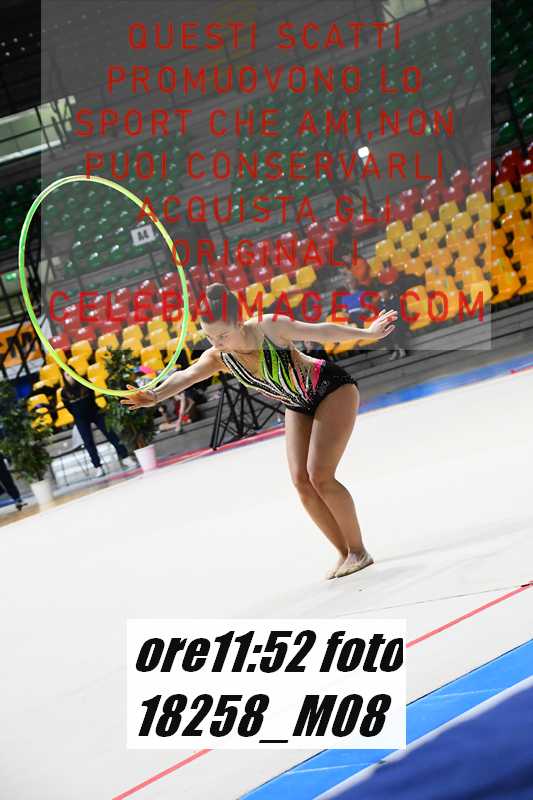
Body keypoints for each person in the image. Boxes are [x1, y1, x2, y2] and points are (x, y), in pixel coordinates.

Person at [121, 283, 397, 580]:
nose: (217, 343)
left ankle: (358, 551)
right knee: (301, 482)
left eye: (223, 335)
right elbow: (187, 376)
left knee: (320, 476)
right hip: (296, 402)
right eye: (210, 337)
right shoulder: (218, 357)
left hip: (330, 388)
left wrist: (368, 333)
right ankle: (344, 553)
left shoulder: (269, 327)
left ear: (239, 323)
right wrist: (155, 395)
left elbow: (321, 331)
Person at [61, 368, 135, 476]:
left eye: (71, 373)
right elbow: (69, 409)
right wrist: (79, 414)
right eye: (67, 375)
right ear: (64, 377)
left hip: (95, 412)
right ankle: (98, 467)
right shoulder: (64, 393)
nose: (70, 376)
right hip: (80, 419)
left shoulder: (85, 383)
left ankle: (125, 457)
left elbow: (92, 397)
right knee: (88, 442)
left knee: (110, 434)